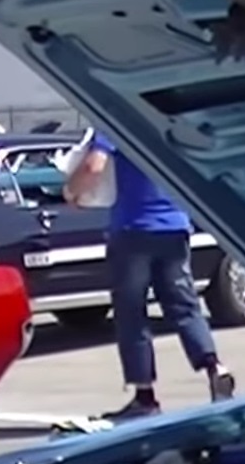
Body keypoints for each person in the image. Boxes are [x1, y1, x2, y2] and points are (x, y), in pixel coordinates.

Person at [65, 130, 235, 419]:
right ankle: (213, 366)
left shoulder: (113, 124)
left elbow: (94, 165)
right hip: (175, 226)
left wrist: (72, 191)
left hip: (134, 229)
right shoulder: (164, 126)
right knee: (184, 305)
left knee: (132, 313)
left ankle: (145, 396)